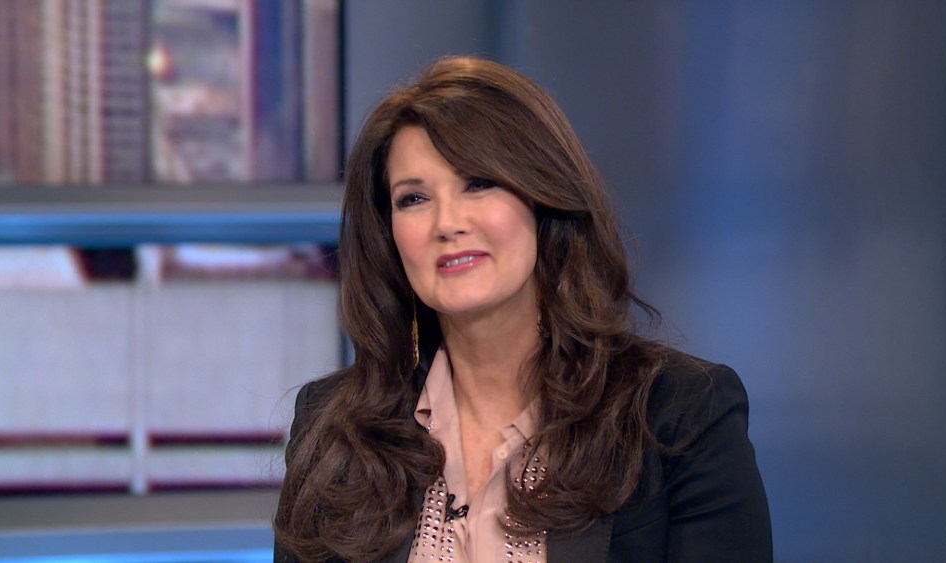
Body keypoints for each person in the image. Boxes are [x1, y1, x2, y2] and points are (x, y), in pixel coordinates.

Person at [274, 55, 772, 562]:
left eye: (478, 183)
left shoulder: (680, 415)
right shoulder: (332, 428)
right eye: (414, 199)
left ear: (542, 198)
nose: (447, 223)